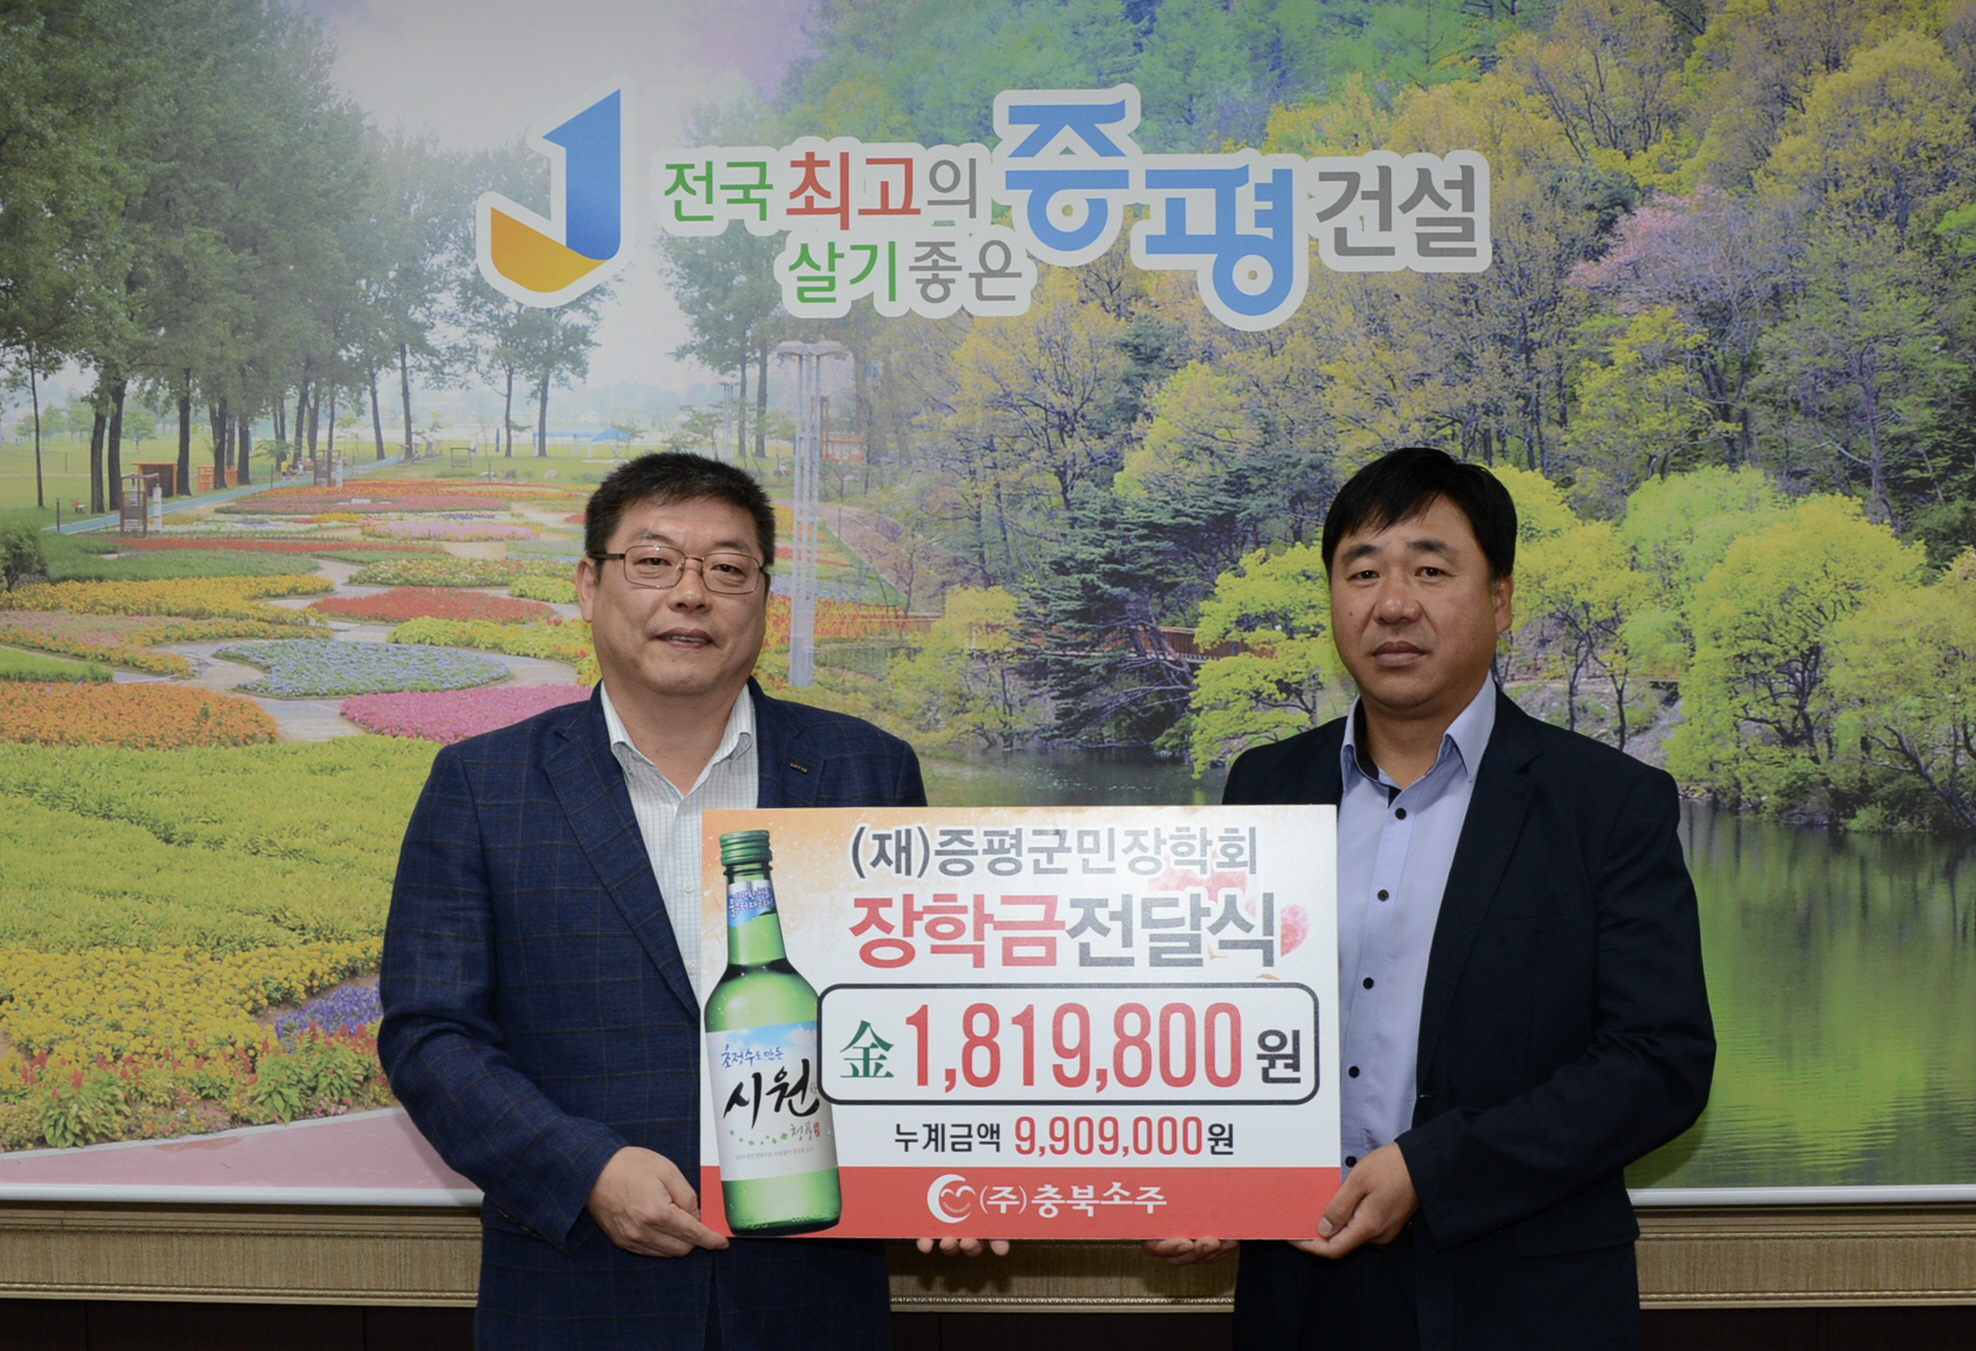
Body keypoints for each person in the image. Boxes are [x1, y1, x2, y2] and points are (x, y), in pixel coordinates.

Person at [1147, 447, 1714, 1350]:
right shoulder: (1267, 785)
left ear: (1501, 599)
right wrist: (1203, 1180)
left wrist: (1433, 1167)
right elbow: (1212, 1024)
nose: (1393, 603)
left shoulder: (1604, 802)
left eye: (1431, 569)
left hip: (1521, 1298)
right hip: (1299, 1287)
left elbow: (1659, 1062)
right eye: (1362, 571)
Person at [380, 453, 927, 1350]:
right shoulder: (483, 784)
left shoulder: (866, 769)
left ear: (765, 595)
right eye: (654, 561)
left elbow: (919, 1010)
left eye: (728, 567)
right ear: (589, 585)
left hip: (810, 1300)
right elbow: (431, 1034)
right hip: (576, 1296)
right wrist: (585, 1168)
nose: (691, 593)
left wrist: (957, 1169)